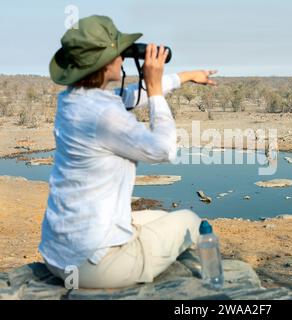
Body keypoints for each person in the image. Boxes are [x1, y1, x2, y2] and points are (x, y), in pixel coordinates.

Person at [39, 15, 217, 289]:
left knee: (161, 218)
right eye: (118, 52)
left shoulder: (72, 101)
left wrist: (187, 77)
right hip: (96, 267)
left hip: (59, 256)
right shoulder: (104, 115)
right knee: (192, 222)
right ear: (106, 62)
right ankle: (211, 287)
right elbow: (165, 149)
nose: (122, 58)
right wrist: (155, 88)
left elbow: (131, 95)